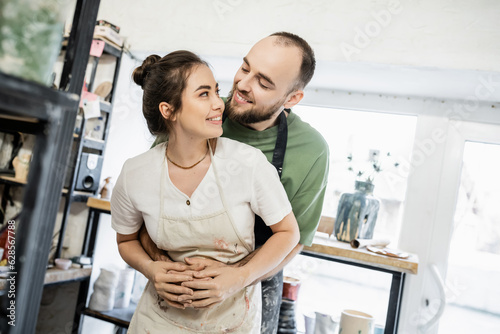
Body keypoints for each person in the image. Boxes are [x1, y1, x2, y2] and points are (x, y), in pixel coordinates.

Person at [141, 32, 330, 333]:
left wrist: (236, 278)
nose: (242, 84)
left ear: (292, 98)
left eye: (264, 82)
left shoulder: (310, 151)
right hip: (175, 287)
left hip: (254, 287)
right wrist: (163, 269)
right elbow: (143, 209)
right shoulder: (194, 112)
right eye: (245, 68)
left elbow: (295, 239)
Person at [111, 50, 300, 333]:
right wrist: (152, 270)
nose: (219, 104)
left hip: (233, 320)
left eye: (217, 91)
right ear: (168, 110)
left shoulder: (247, 164)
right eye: (203, 94)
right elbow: (126, 240)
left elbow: (289, 234)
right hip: (159, 320)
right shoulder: (135, 173)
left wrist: (238, 278)